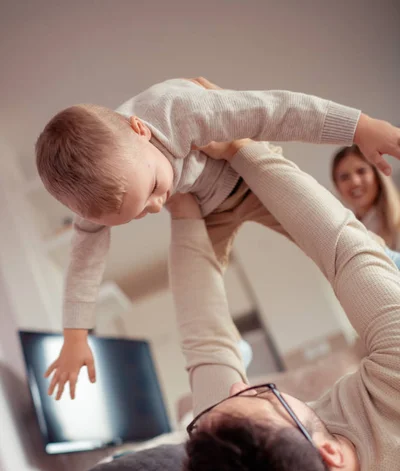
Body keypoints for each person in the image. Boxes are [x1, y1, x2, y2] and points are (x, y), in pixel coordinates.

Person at [35, 76, 400, 399]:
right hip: (206, 208)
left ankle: (387, 260)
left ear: (140, 130)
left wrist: (358, 127)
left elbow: (271, 110)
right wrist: (74, 336)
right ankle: (229, 349)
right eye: (142, 212)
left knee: (321, 229)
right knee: (192, 290)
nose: (157, 203)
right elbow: (84, 258)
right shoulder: (101, 199)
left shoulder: (176, 110)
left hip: (247, 177)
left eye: (154, 189)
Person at [168, 137, 400, 471]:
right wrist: (244, 149)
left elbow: (207, 344)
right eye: (264, 395)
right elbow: (346, 248)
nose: (240, 389)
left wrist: (183, 207)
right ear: (328, 452)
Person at [332, 144, 400, 251]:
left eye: (361, 171)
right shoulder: (344, 233)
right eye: (344, 177)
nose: (355, 182)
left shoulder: (397, 225)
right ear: (337, 186)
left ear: (377, 176)